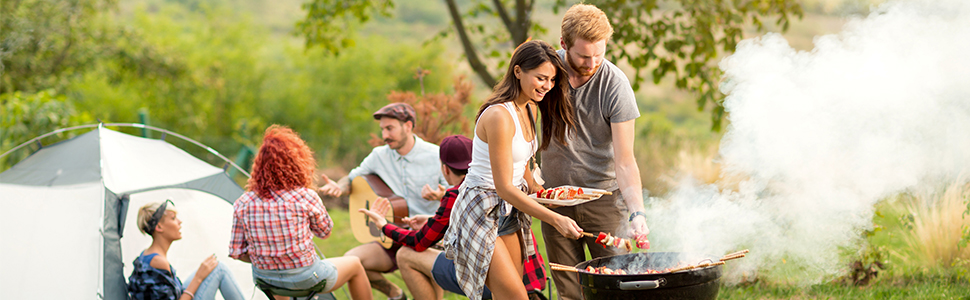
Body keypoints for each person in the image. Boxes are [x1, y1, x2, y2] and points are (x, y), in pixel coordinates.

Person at [440, 40, 582, 300]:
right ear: (518, 71)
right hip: (481, 208)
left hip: (508, 211)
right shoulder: (499, 116)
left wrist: (544, 194)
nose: (547, 87)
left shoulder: (530, 108)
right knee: (516, 296)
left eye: (551, 80)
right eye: (541, 78)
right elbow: (504, 186)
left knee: (510, 294)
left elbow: (523, 165)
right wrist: (555, 219)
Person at [539, 4, 650, 299]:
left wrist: (637, 212)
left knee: (616, 289)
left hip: (605, 201)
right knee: (569, 293)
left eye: (599, 55)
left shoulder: (615, 85)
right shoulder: (546, 77)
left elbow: (625, 161)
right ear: (563, 45)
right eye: (583, 56)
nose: (592, 63)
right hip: (555, 199)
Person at [358, 135, 547, 300]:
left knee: (406, 255)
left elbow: (419, 242)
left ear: (445, 169)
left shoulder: (457, 194)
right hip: (529, 276)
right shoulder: (500, 181)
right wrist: (434, 220)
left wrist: (384, 225)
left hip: (492, 282)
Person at [318, 102, 449, 299]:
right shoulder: (379, 155)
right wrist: (340, 186)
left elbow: (455, 193)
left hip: (426, 238)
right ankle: (395, 294)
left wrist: (441, 195)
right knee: (352, 261)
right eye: (382, 129)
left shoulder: (435, 155)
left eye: (390, 128)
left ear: (408, 126)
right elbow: (353, 178)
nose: (384, 135)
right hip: (391, 235)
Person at [229, 125, 372, 300]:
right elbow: (325, 232)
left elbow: (237, 252)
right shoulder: (305, 196)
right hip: (307, 278)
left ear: (258, 166)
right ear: (297, 162)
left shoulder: (243, 202)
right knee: (355, 265)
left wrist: (269, 257)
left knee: (280, 284)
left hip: (265, 279)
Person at [128, 200, 245, 300]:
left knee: (215, 267)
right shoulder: (158, 261)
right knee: (220, 270)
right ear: (159, 227)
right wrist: (198, 277)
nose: (179, 222)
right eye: (173, 218)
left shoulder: (147, 255)